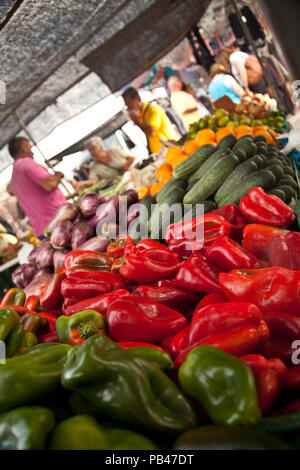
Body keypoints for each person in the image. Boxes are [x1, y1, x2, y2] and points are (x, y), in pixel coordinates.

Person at [8, 137, 66, 239]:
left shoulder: (13, 178)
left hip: (42, 229)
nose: (33, 152)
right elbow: (50, 184)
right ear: (23, 148)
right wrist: (58, 176)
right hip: (56, 223)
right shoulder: (26, 163)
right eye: (30, 148)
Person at [122, 86, 179, 154]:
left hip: (171, 149)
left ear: (138, 98)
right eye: (126, 104)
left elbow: (152, 132)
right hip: (160, 153)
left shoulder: (153, 110)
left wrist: (136, 121)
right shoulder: (141, 115)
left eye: (129, 103)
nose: (128, 107)